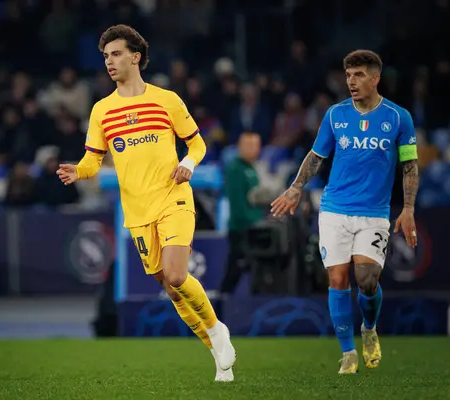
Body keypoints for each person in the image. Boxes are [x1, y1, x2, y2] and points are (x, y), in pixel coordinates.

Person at [57, 25, 236, 382]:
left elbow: (197, 144)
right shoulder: (101, 110)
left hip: (174, 198)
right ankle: (216, 351)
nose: (110, 62)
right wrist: (79, 170)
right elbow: (93, 160)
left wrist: (187, 163)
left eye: (117, 54)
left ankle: (217, 330)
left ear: (136, 57)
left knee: (176, 274)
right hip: (137, 212)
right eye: (106, 56)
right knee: (170, 289)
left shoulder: (166, 99)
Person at [270, 50, 419, 374]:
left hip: (374, 212)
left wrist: (407, 209)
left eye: (359, 75)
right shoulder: (335, 115)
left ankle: (368, 328)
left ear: (375, 78)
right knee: (337, 279)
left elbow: (410, 165)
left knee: (366, 280)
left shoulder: (398, 117)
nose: (351, 81)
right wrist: (296, 187)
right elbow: (316, 156)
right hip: (335, 208)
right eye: (348, 75)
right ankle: (348, 352)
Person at [221, 132, 267, 294]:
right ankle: (221, 304)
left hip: (253, 228)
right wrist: (255, 222)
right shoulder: (235, 169)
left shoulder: (252, 168)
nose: (253, 149)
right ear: (240, 147)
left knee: (252, 271)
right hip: (241, 229)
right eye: (248, 145)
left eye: (255, 145)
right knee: (234, 270)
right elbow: (238, 204)